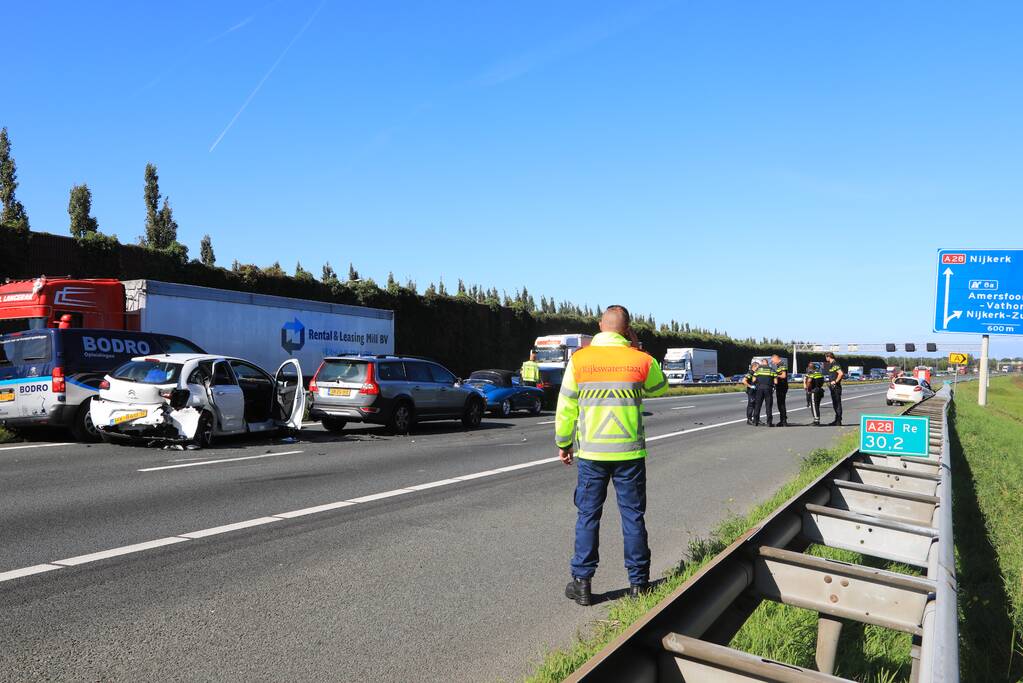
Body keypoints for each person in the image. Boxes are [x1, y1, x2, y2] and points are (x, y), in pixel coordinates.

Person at [555, 305, 667, 606]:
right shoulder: (639, 359)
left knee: (588, 515)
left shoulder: (580, 359)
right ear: (627, 329)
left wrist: (564, 443)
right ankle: (638, 584)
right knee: (632, 516)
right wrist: (638, 347)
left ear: (600, 326)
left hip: (592, 452)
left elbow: (566, 406)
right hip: (629, 452)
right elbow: (659, 386)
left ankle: (582, 583)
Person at [751, 360, 777, 426]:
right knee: (768, 406)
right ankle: (769, 422)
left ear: (762, 363)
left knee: (757, 405)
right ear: (767, 363)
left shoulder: (758, 370)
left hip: (759, 388)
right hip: (768, 388)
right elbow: (776, 382)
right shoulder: (772, 370)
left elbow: (753, 380)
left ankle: (755, 421)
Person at [825, 352, 845, 426]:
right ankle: (837, 420)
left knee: (837, 404)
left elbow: (841, 373)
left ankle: (838, 421)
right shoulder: (832, 364)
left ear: (828, 357)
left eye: (826, 357)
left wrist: (835, 381)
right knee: (835, 404)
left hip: (836, 387)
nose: (826, 359)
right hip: (833, 387)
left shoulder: (835, 364)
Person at [771, 353, 789, 427]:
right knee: (780, 404)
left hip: (782, 386)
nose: (772, 362)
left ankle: (783, 421)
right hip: (780, 386)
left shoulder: (782, 364)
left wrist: (775, 375)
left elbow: (784, 375)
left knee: (781, 404)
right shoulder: (779, 365)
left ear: (776, 358)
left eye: (773, 361)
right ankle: (783, 420)